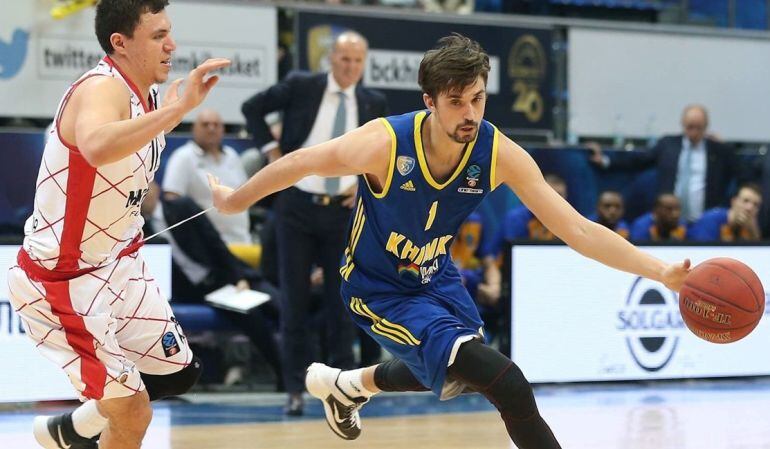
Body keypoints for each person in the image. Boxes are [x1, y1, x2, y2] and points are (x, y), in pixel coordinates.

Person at [209, 34, 689, 448]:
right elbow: (301, 163)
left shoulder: (497, 152)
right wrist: (235, 201)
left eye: (477, 99)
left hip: (436, 276)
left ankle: (349, 385)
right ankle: (349, 384)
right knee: (507, 382)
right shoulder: (384, 143)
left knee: (459, 373)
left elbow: (579, 230)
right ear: (429, 101)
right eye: (456, 101)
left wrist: (661, 271)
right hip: (378, 288)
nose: (470, 113)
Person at [5, 1, 229, 448]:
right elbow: (96, 146)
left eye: (170, 32)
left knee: (179, 375)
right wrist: (176, 110)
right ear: (120, 44)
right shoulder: (100, 89)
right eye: (158, 36)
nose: (172, 45)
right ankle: (84, 426)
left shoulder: (144, 95)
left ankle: (71, 429)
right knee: (132, 412)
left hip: (119, 263)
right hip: (64, 279)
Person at [241, 31, 388, 415]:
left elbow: (382, 154)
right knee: (295, 300)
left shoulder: (373, 102)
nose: (350, 68)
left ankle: (343, 390)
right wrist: (272, 152)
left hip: (341, 211)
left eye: (357, 61)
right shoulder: (302, 86)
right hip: (297, 206)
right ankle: (294, 389)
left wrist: (367, 186)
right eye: (343, 60)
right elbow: (252, 107)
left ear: (364, 63)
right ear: (331, 59)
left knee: (344, 302)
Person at [140, 182, 284, 389]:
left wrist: (238, 278)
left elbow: (214, 241)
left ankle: (304, 367)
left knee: (280, 307)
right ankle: (284, 375)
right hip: (200, 292)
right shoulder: (140, 229)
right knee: (252, 319)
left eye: (146, 189)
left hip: (227, 274)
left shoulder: (182, 207)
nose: (143, 196)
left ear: (156, 188)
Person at [589, 104, 741, 223]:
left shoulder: (719, 150)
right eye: (689, 127)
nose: (693, 133)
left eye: (698, 128)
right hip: (668, 219)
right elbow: (639, 161)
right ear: (682, 124)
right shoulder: (668, 145)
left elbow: (742, 173)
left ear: (706, 126)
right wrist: (606, 160)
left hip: (705, 217)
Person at [689, 183, 762, 242]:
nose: (750, 208)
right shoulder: (710, 219)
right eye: (745, 201)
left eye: (756, 205)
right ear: (733, 201)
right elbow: (703, 253)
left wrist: (754, 233)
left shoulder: (753, 228)